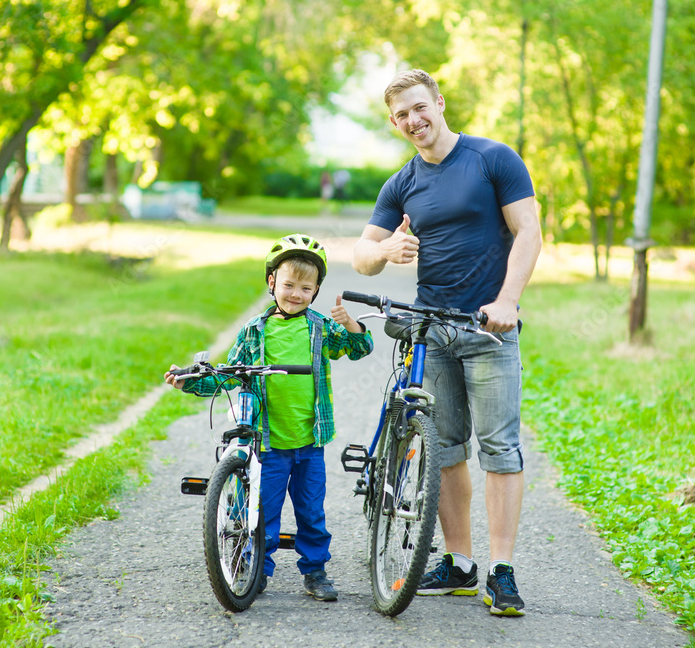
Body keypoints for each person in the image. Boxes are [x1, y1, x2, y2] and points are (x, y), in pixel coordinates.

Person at [352, 69, 542, 617]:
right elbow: (362, 256)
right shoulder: (402, 183)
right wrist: (387, 250)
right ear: (394, 124)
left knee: (500, 449)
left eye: (419, 107)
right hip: (430, 331)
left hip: (488, 329)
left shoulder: (493, 159)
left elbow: (528, 232)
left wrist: (507, 301)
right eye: (401, 116)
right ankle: (460, 564)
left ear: (439, 102)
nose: (414, 121)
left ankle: (501, 572)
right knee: (447, 450)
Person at [166, 234, 373, 601]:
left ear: (316, 291)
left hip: (309, 442)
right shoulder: (254, 330)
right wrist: (190, 382)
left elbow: (359, 348)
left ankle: (315, 571)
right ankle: (256, 569)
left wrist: (352, 325)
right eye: (289, 285)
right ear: (272, 283)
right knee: (263, 511)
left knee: (311, 513)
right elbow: (228, 373)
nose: (295, 293)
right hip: (269, 443)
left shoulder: (321, 328)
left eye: (305, 288)